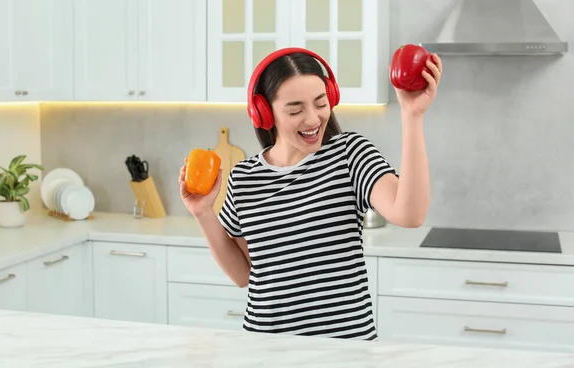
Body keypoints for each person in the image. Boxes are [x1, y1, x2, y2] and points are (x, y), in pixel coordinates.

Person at [179, 47, 443, 341]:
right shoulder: (244, 177)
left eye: (321, 103)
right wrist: (202, 212)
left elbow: (410, 214)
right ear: (264, 113)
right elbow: (243, 275)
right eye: (295, 110)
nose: (313, 119)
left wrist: (412, 115)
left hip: (345, 351)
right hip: (266, 348)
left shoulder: (349, 154)